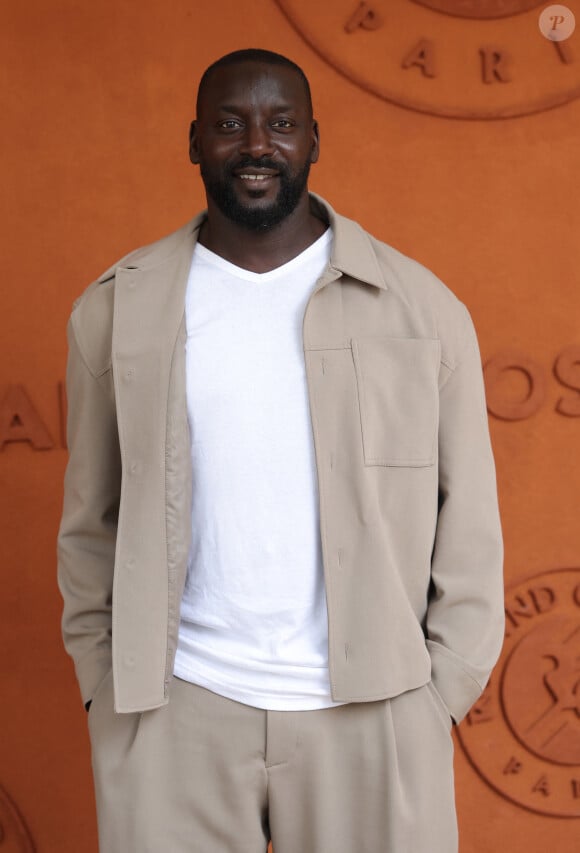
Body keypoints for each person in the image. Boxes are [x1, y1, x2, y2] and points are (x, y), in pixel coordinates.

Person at [57, 48, 504, 853]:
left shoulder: (423, 309)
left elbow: (468, 521)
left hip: (375, 715)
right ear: (195, 142)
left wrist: (439, 695)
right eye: (230, 124)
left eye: (281, 124)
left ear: (314, 141)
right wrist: (103, 690)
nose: (257, 143)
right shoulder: (117, 309)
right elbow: (91, 519)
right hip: (175, 713)